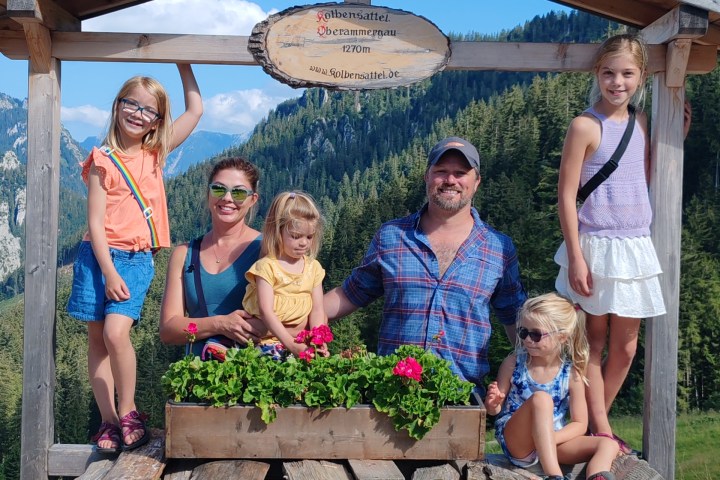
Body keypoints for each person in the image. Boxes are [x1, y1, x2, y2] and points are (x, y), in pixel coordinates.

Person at [67, 64, 202, 453]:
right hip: (97, 259)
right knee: (97, 338)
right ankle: (108, 422)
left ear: (158, 120)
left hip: (135, 259)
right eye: (131, 104)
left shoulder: (156, 152)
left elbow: (195, 110)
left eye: (148, 110)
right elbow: (94, 221)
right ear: (117, 105)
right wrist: (107, 270)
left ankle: (128, 412)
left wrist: (183, 64)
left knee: (114, 334)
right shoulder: (101, 160)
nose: (137, 114)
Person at [324, 136, 527, 394]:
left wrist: (544, 371)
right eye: (441, 172)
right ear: (427, 177)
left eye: (460, 173)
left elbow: (516, 320)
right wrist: (284, 317)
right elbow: (349, 294)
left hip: (462, 399)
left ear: (477, 182)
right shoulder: (392, 236)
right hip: (390, 393)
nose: (450, 180)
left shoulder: (498, 248)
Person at [554, 34, 663, 455]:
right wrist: (577, 257)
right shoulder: (585, 125)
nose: (617, 82)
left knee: (626, 346)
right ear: (597, 74)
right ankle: (601, 428)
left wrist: (680, 135)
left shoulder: (641, 120)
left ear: (641, 76)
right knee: (592, 344)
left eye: (627, 74)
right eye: (608, 73)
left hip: (635, 244)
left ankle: (594, 422)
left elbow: (642, 174)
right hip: (596, 243)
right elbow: (566, 195)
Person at [485, 293, 619, 480]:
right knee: (541, 399)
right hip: (518, 442)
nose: (528, 340)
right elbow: (494, 411)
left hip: (554, 443)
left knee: (609, 444)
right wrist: (493, 404)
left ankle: (597, 476)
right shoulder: (513, 363)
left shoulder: (571, 374)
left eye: (536, 334)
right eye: (523, 332)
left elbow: (580, 424)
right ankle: (554, 476)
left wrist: (548, 439)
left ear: (562, 337)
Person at [159, 157, 266, 357]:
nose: (227, 198)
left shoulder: (266, 250)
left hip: (254, 378)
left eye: (239, 192)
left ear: (253, 199)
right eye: (219, 189)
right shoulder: (183, 255)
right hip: (198, 380)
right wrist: (220, 324)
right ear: (208, 194)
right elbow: (168, 330)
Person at [242, 191, 328, 358]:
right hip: (268, 343)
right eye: (296, 236)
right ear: (277, 231)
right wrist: (292, 345)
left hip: (302, 343)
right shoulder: (266, 267)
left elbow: (318, 310)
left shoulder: (313, 268)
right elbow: (266, 312)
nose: (304, 242)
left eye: (309, 237)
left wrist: (318, 340)